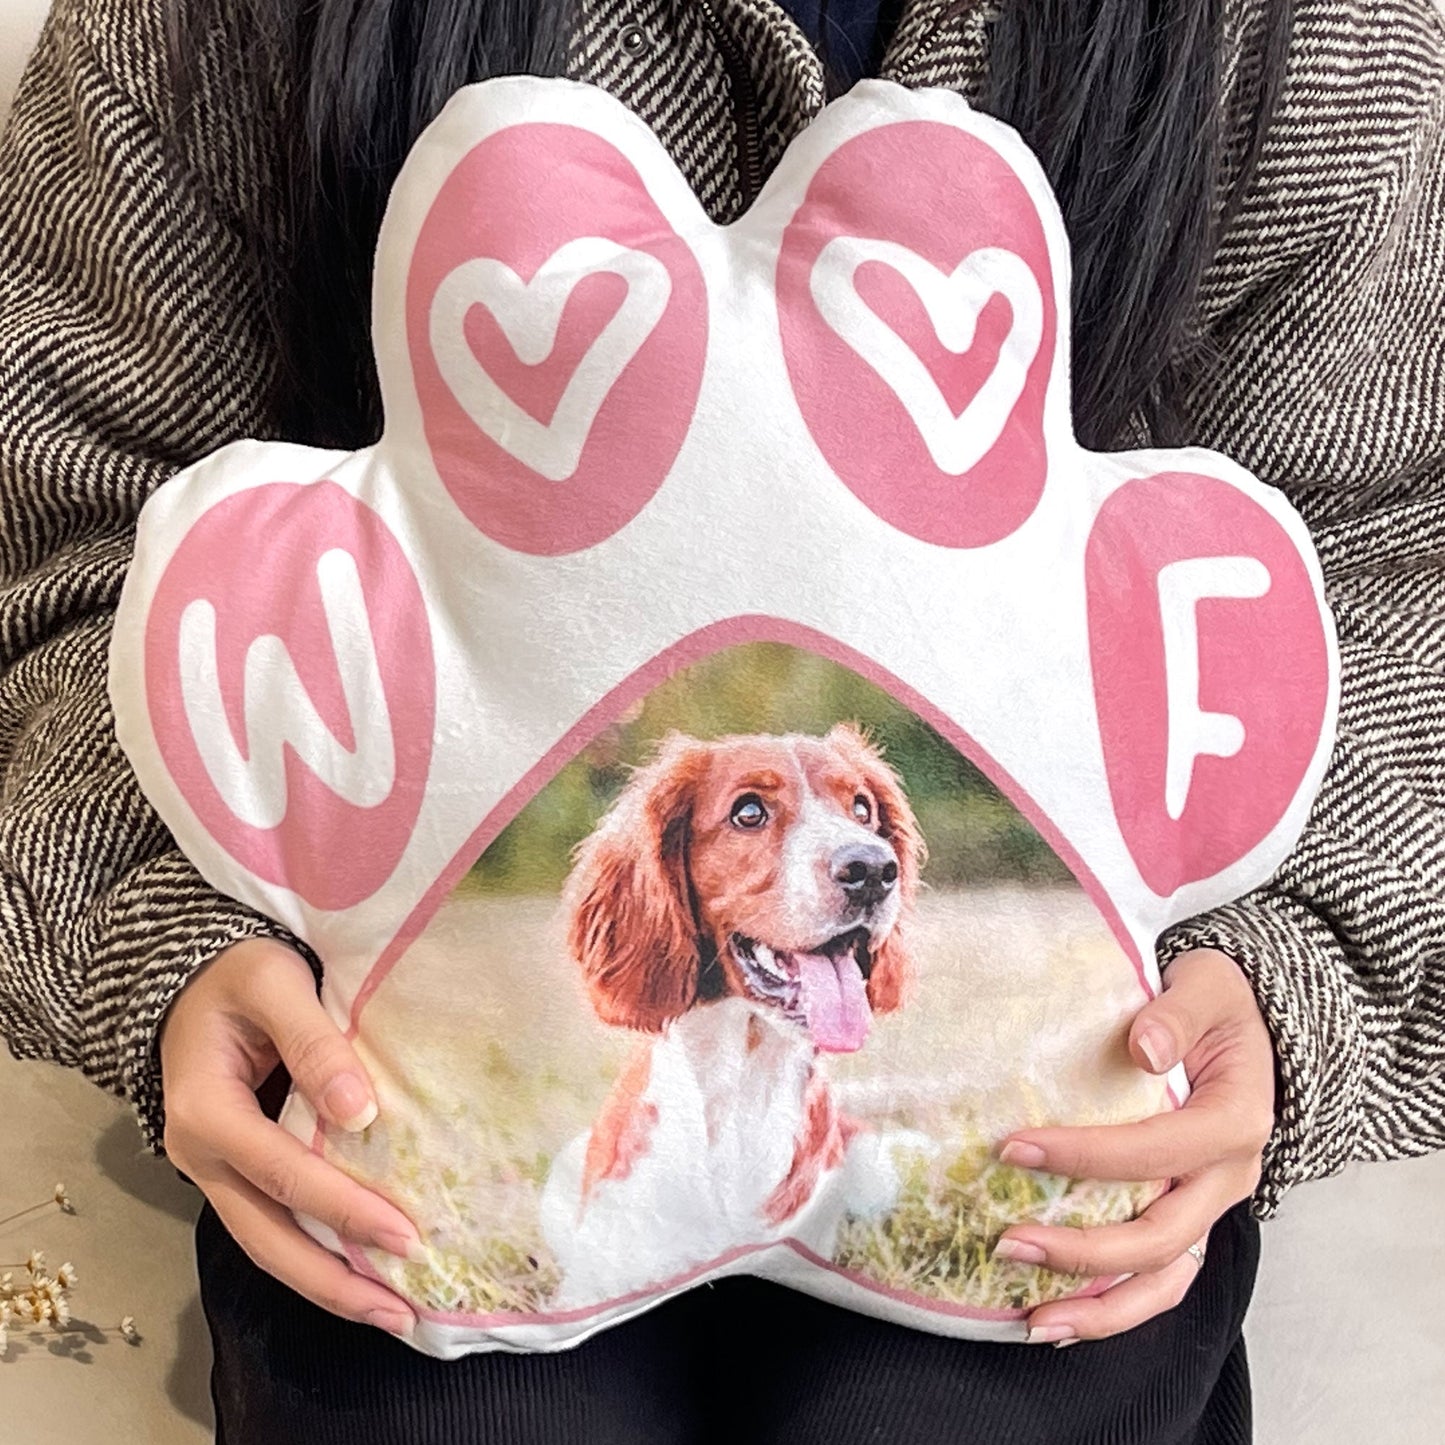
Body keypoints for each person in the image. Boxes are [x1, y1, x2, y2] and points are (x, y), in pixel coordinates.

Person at [1, 0, 1441, 1441]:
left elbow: (1389, 570)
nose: (859, 854)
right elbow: (62, 552)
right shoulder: (209, 31)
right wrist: (173, 949)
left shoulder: (1302, 42)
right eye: (754, 812)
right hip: (383, 1076)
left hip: (1079, 1087)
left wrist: (1284, 979)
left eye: (863, 820)